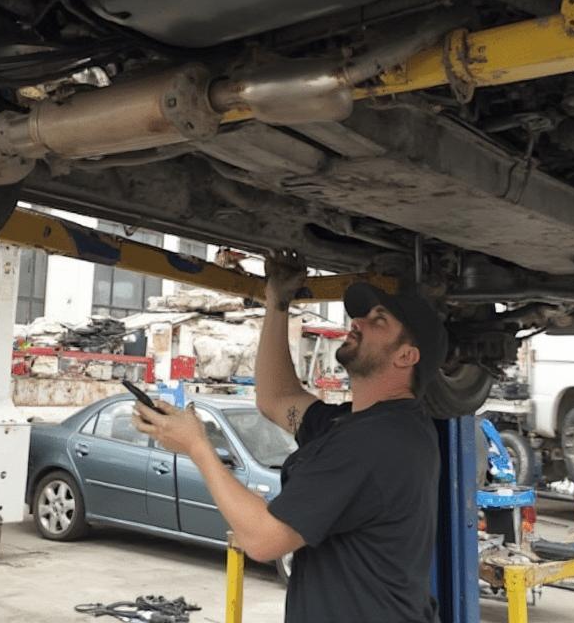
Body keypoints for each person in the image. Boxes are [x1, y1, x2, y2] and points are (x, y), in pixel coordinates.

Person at [133, 252, 448, 622]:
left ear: (406, 356)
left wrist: (197, 446)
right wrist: (278, 302)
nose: (358, 321)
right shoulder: (378, 426)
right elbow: (275, 398)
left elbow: (263, 540)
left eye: (379, 320)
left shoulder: (374, 442)